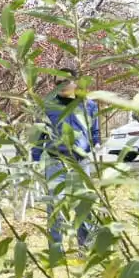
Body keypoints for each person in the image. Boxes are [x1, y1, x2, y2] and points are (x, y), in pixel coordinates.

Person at [31, 66, 100, 253]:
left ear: (76, 82)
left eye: (66, 81)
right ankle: (56, 252)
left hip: (80, 163)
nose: (61, 85)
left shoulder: (89, 105)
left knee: (83, 207)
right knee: (55, 208)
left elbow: (95, 133)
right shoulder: (46, 105)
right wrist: (35, 160)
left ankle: (85, 249)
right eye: (57, 82)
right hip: (55, 163)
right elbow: (39, 135)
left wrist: (94, 149)